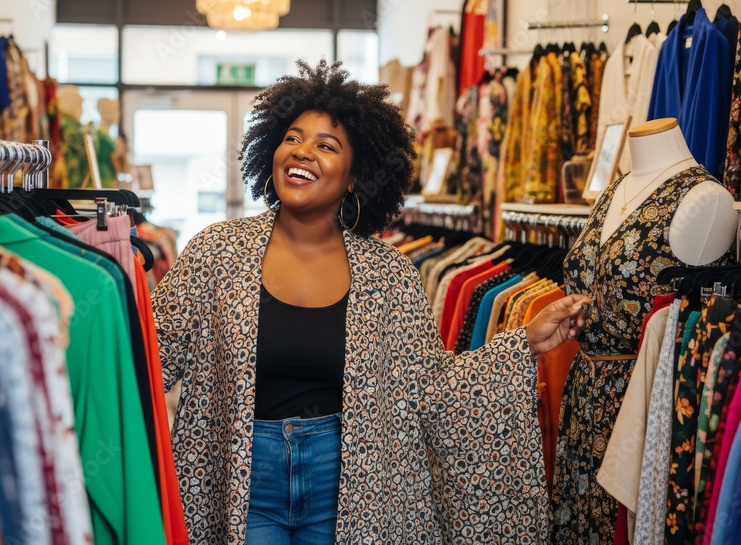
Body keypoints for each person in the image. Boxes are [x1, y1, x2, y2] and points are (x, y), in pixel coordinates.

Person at [151, 59, 589, 545]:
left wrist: (523, 341)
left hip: (346, 488)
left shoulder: (387, 274)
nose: (302, 152)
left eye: (326, 145)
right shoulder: (216, 252)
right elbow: (149, 359)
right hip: (242, 480)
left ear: (356, 177)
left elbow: (431, 388)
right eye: (292, 138)